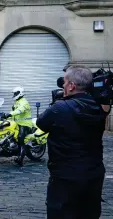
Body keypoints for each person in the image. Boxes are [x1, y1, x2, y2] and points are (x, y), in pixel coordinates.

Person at [36, 65, 107, 219]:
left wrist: (60, 100)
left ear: (71, 86)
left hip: (65, 178)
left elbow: (41, 123)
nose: (63, 85)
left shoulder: (59, 108)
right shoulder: (99, 108)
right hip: (93, 177)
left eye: (65, 83)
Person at [1, 86, 33, 166]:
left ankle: (20, 159)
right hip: (17, 124)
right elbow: (14, 113)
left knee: (20, 138)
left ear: (20, 93)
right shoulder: (16, 102)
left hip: (25, 124)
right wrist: (6, 116)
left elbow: (19, 111)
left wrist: (10, 114)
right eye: (14, 93)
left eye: (16, 93)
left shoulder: (24, 102)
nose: (14, 94)